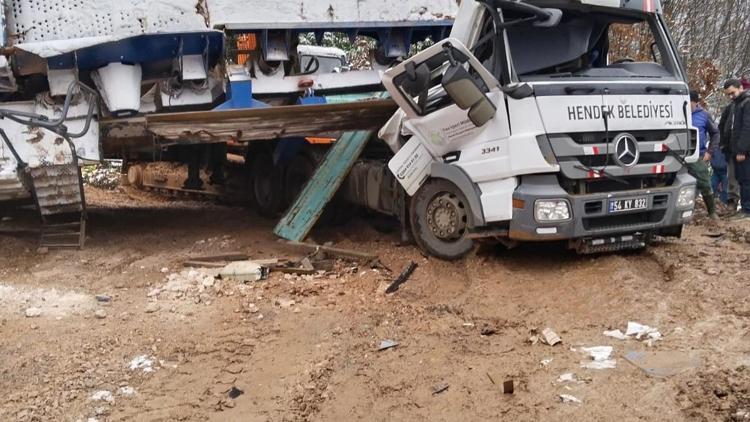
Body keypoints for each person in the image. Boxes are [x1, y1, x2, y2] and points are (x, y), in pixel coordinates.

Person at [719, 79, 750, 220]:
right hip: (733, 149)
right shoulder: (735, 105)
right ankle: (744, 207)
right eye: (728, 94)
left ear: (741, 88)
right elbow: (728, 127)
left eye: (732, 93)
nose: (731, 96)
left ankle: (747, 209)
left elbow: (746, 128)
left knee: (746, 179)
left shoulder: (746, 103)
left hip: (743, 151)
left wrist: (742, 150)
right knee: (740, 179)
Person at [689, 90, 719, 219]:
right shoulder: (677, 113)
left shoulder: (704, 115)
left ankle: (712, 212)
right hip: (679, 155)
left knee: (704, 183)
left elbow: (715, 133)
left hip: (698, 155)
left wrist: (710, 151)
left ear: (695, 102)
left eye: (688, 102)